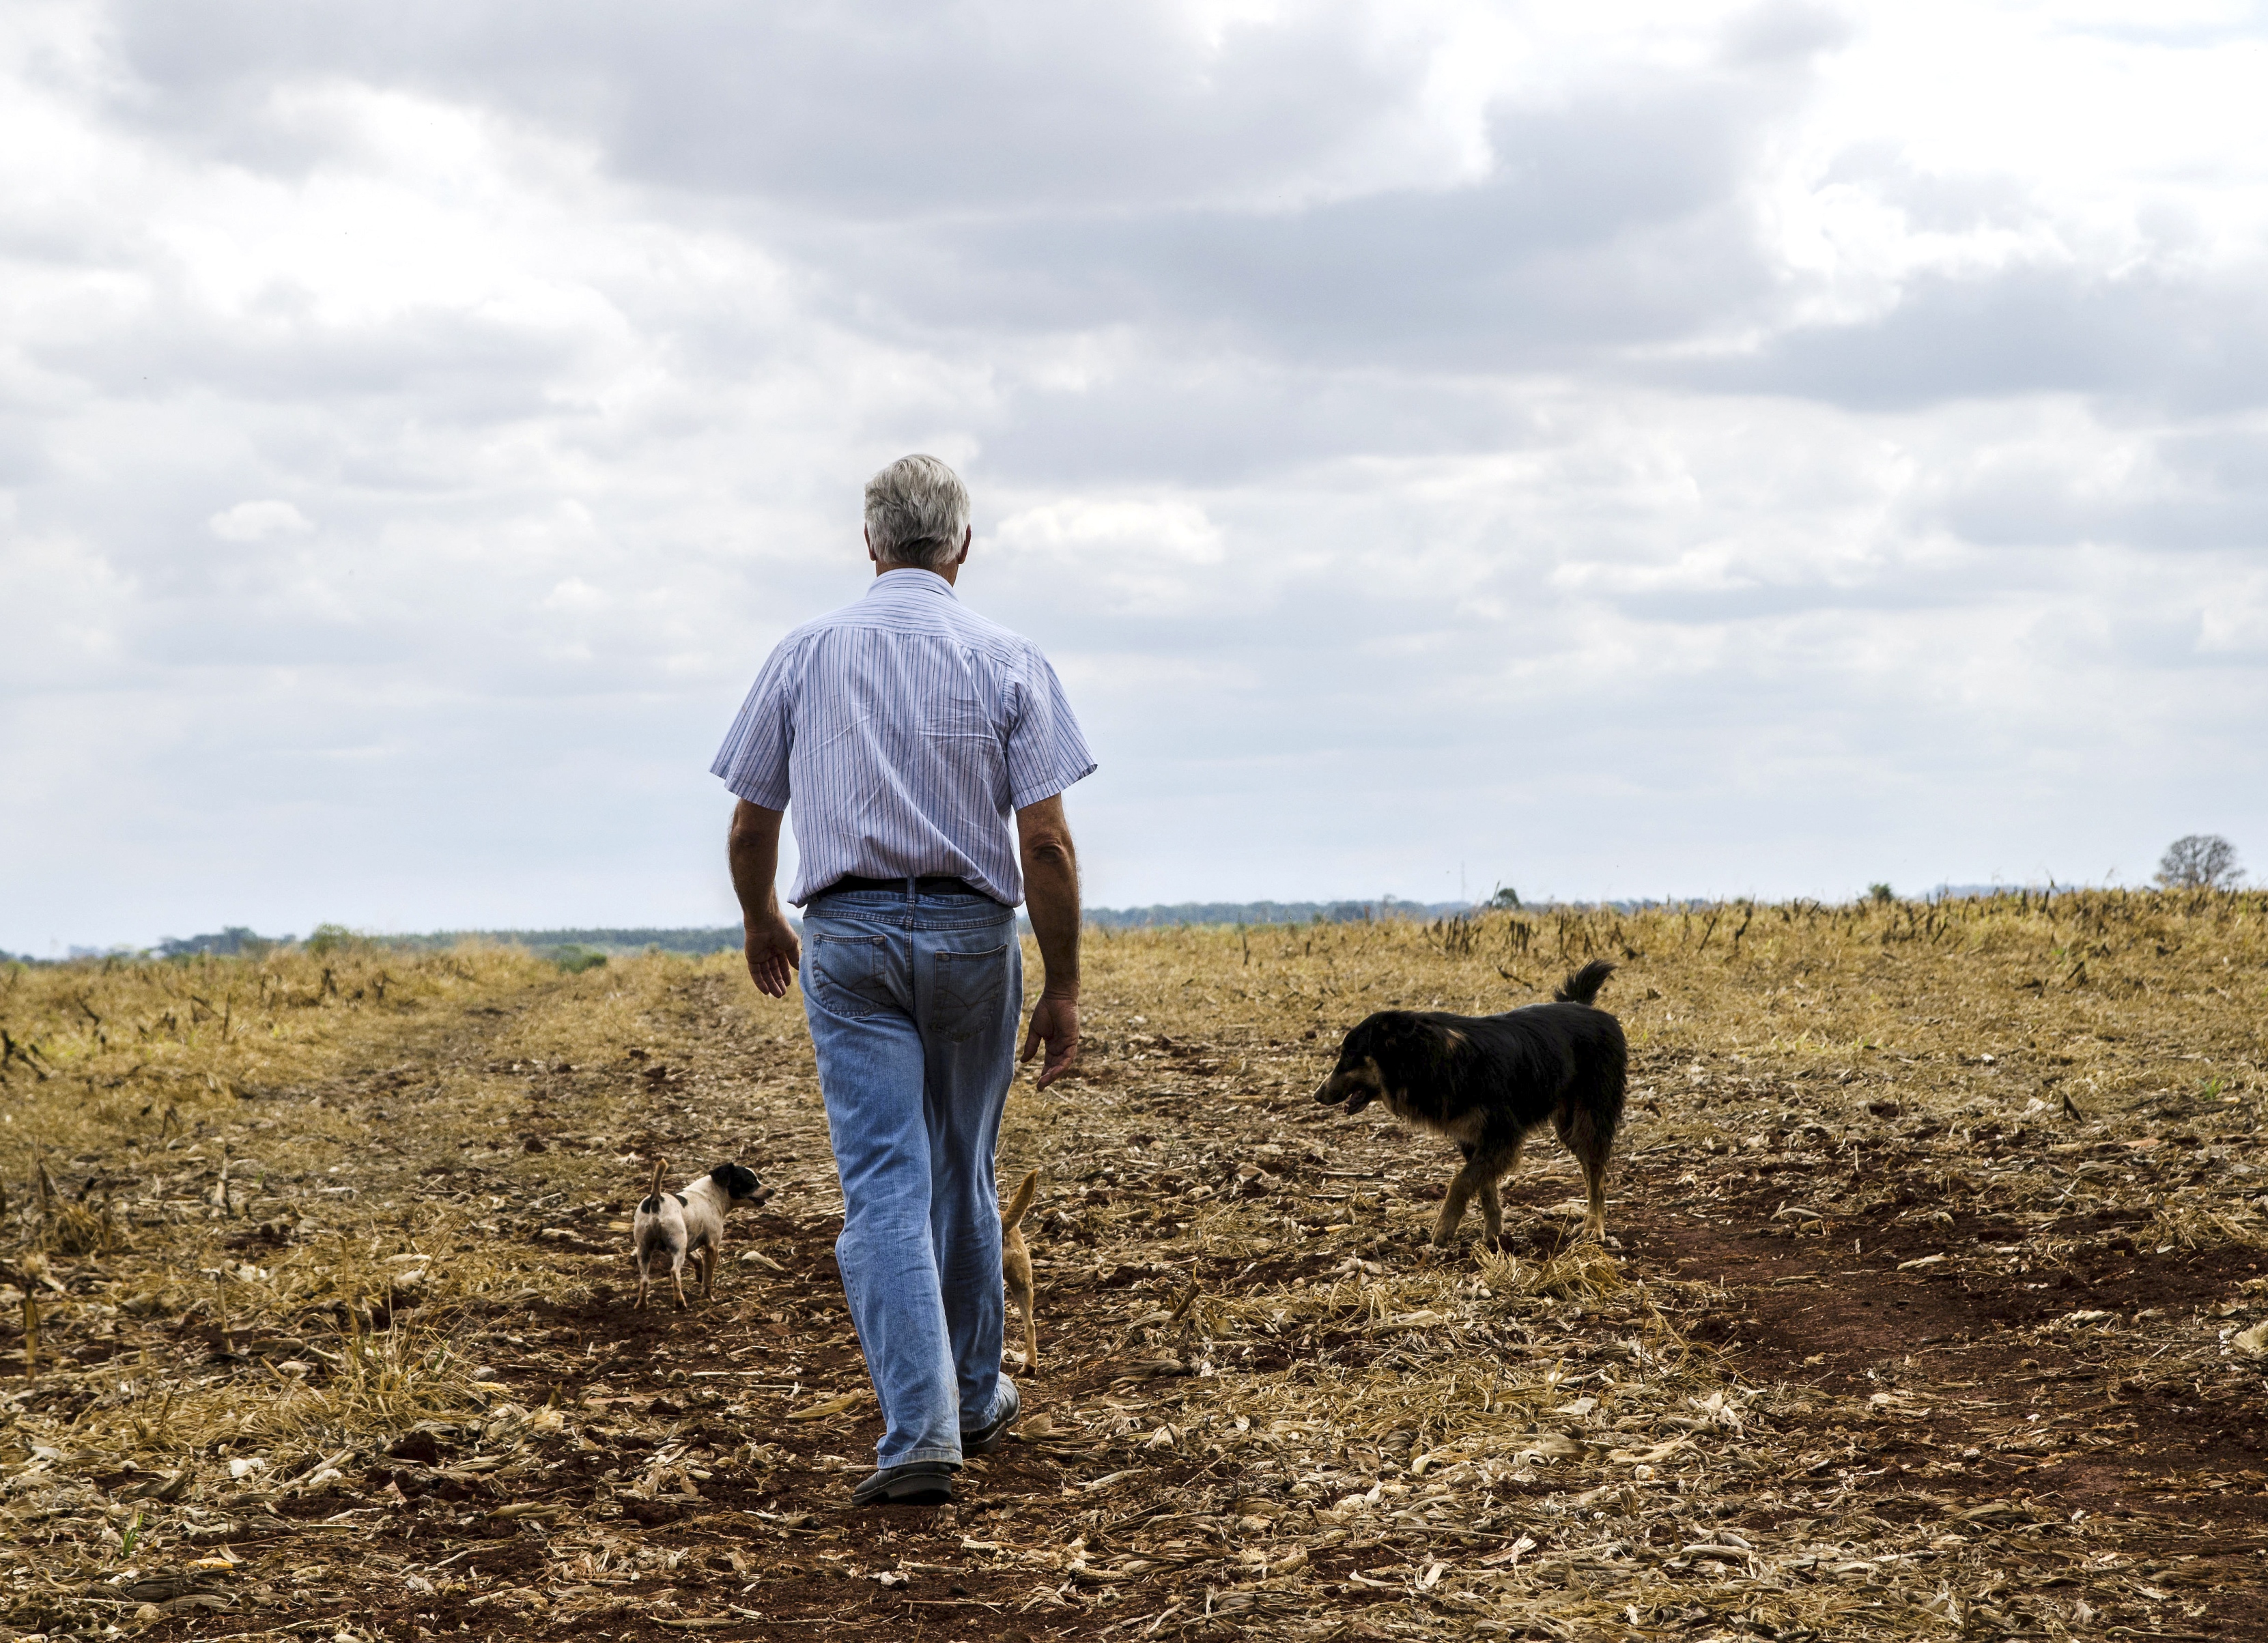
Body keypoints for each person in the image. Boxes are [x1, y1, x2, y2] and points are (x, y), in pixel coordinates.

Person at [713, 454, 1094, 1506]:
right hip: (976, 937)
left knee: (884, 1183)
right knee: (964, 1172)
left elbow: (752, 819)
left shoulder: (806, 653)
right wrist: (1061, 985)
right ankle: (975, 1400)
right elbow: (1048, 846)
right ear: (961, 547)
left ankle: (921, 1434)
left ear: (871, 544)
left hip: (849, 936)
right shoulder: (1011, 659)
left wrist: (759, 917)